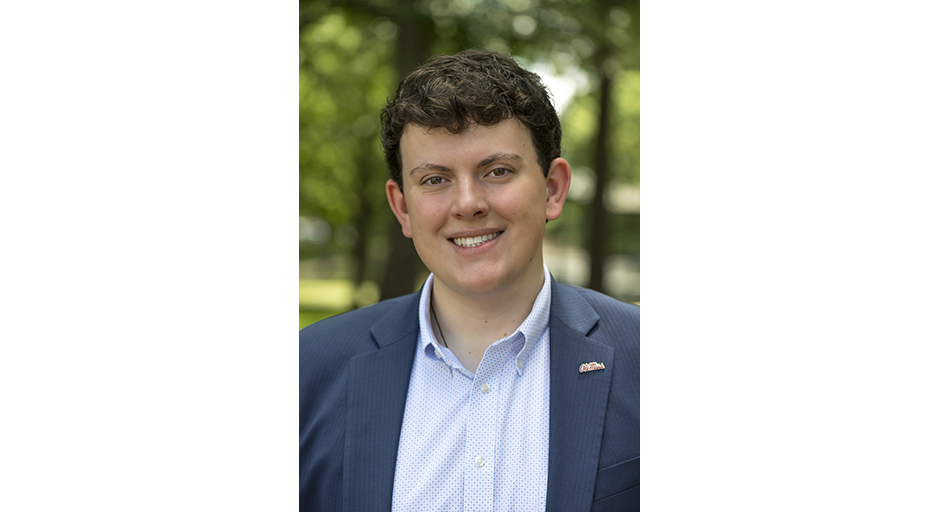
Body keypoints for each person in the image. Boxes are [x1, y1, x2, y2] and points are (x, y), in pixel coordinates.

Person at [300, 49, 639, 512]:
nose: (468, 204)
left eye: (497, 171)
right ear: (403, 207)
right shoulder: (306, 371)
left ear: (553, 189)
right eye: (436, 180)